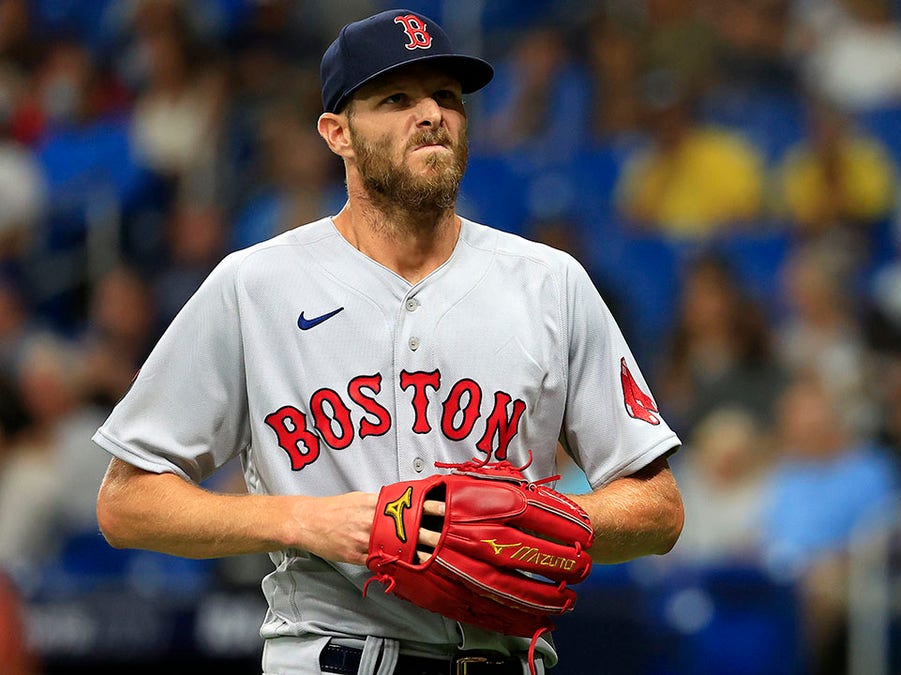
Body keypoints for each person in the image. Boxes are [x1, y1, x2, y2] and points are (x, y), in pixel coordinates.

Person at [92, 10, 684, 675]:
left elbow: (657, 507)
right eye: (397, 98)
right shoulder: (255, 284)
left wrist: (535, 523)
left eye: (448, 98)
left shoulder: (550, 282)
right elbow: (126, 500)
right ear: (336, 132)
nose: (431, 113)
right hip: (332, 655)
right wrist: (302, 520)